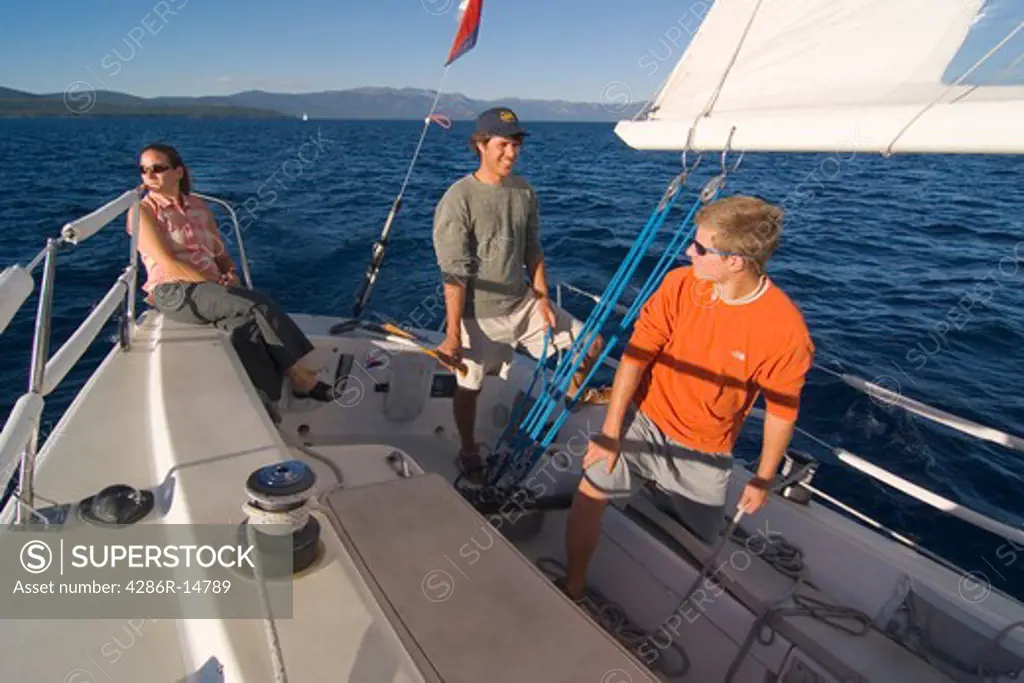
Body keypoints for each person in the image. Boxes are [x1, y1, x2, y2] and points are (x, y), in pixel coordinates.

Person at [561, 195, 814, 602]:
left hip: (705, 447)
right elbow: (636, 355)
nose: (687, 252)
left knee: (699, 544)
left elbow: (782, 412)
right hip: (645, 418)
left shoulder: (785, 331)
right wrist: (610, 431)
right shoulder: (680, 284)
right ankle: (573, 586)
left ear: (735, 261)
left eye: (700, 248)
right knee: (590, 491)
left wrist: (763, 478)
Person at [432, 107, 610, 483]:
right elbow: (454, 275)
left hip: (525, 305)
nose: (511, 153)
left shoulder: (524, 191)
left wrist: (542, 297)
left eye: (515, 145)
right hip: (476, 318)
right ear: (480, 145)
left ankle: (574, 394)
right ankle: (468, 449)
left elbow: (533, 248)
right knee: (470, 386)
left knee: (592, 345)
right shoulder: (457, 199)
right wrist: (451, 336)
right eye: (502, 145)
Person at [127, 143, 335, 412]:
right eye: (143, 170)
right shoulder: (143, 212)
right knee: (256, 304)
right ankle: (299, 377)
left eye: (157, 168)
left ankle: (267, 401)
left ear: (179, 172)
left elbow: (219, 252)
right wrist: (209, 282)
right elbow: (168, 263)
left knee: (242, 328)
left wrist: (230, 273)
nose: (149, 175)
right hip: (174, 291)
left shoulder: (198, 206)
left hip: (210, 288)